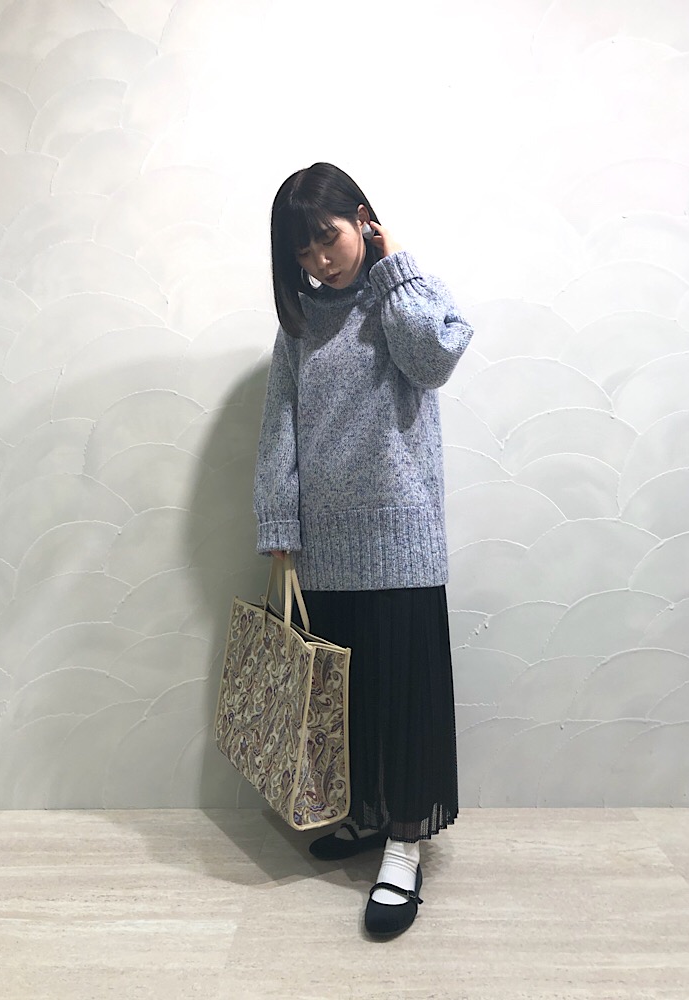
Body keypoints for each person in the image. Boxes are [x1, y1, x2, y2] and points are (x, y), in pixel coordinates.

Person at [253, 162, 474, 936]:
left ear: (361, 220)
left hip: (402, 540)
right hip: (327, 547)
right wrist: (279, 531)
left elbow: (435, 360)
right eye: (303, 251)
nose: (320, 260)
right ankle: (365, 814)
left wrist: (395, 265)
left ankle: (405, 849)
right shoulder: (300, 326)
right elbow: (279, 430)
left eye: (329, 238)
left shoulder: (400, 300)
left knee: (405, 700)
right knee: (346, 701)